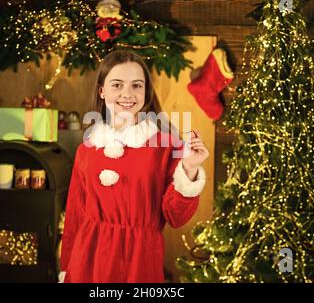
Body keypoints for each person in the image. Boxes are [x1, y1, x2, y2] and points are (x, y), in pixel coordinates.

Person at [59, 49, 209, 282]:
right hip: (86, 261)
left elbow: (175, 216)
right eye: (117, 85)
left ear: (146, 92)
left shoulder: (165, 145)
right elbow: (74, 217)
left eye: (137, 85)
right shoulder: (87, 149)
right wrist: (66, 269)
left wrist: (189, 168)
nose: (127, 94)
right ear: (102, 90)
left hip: (139, 262)